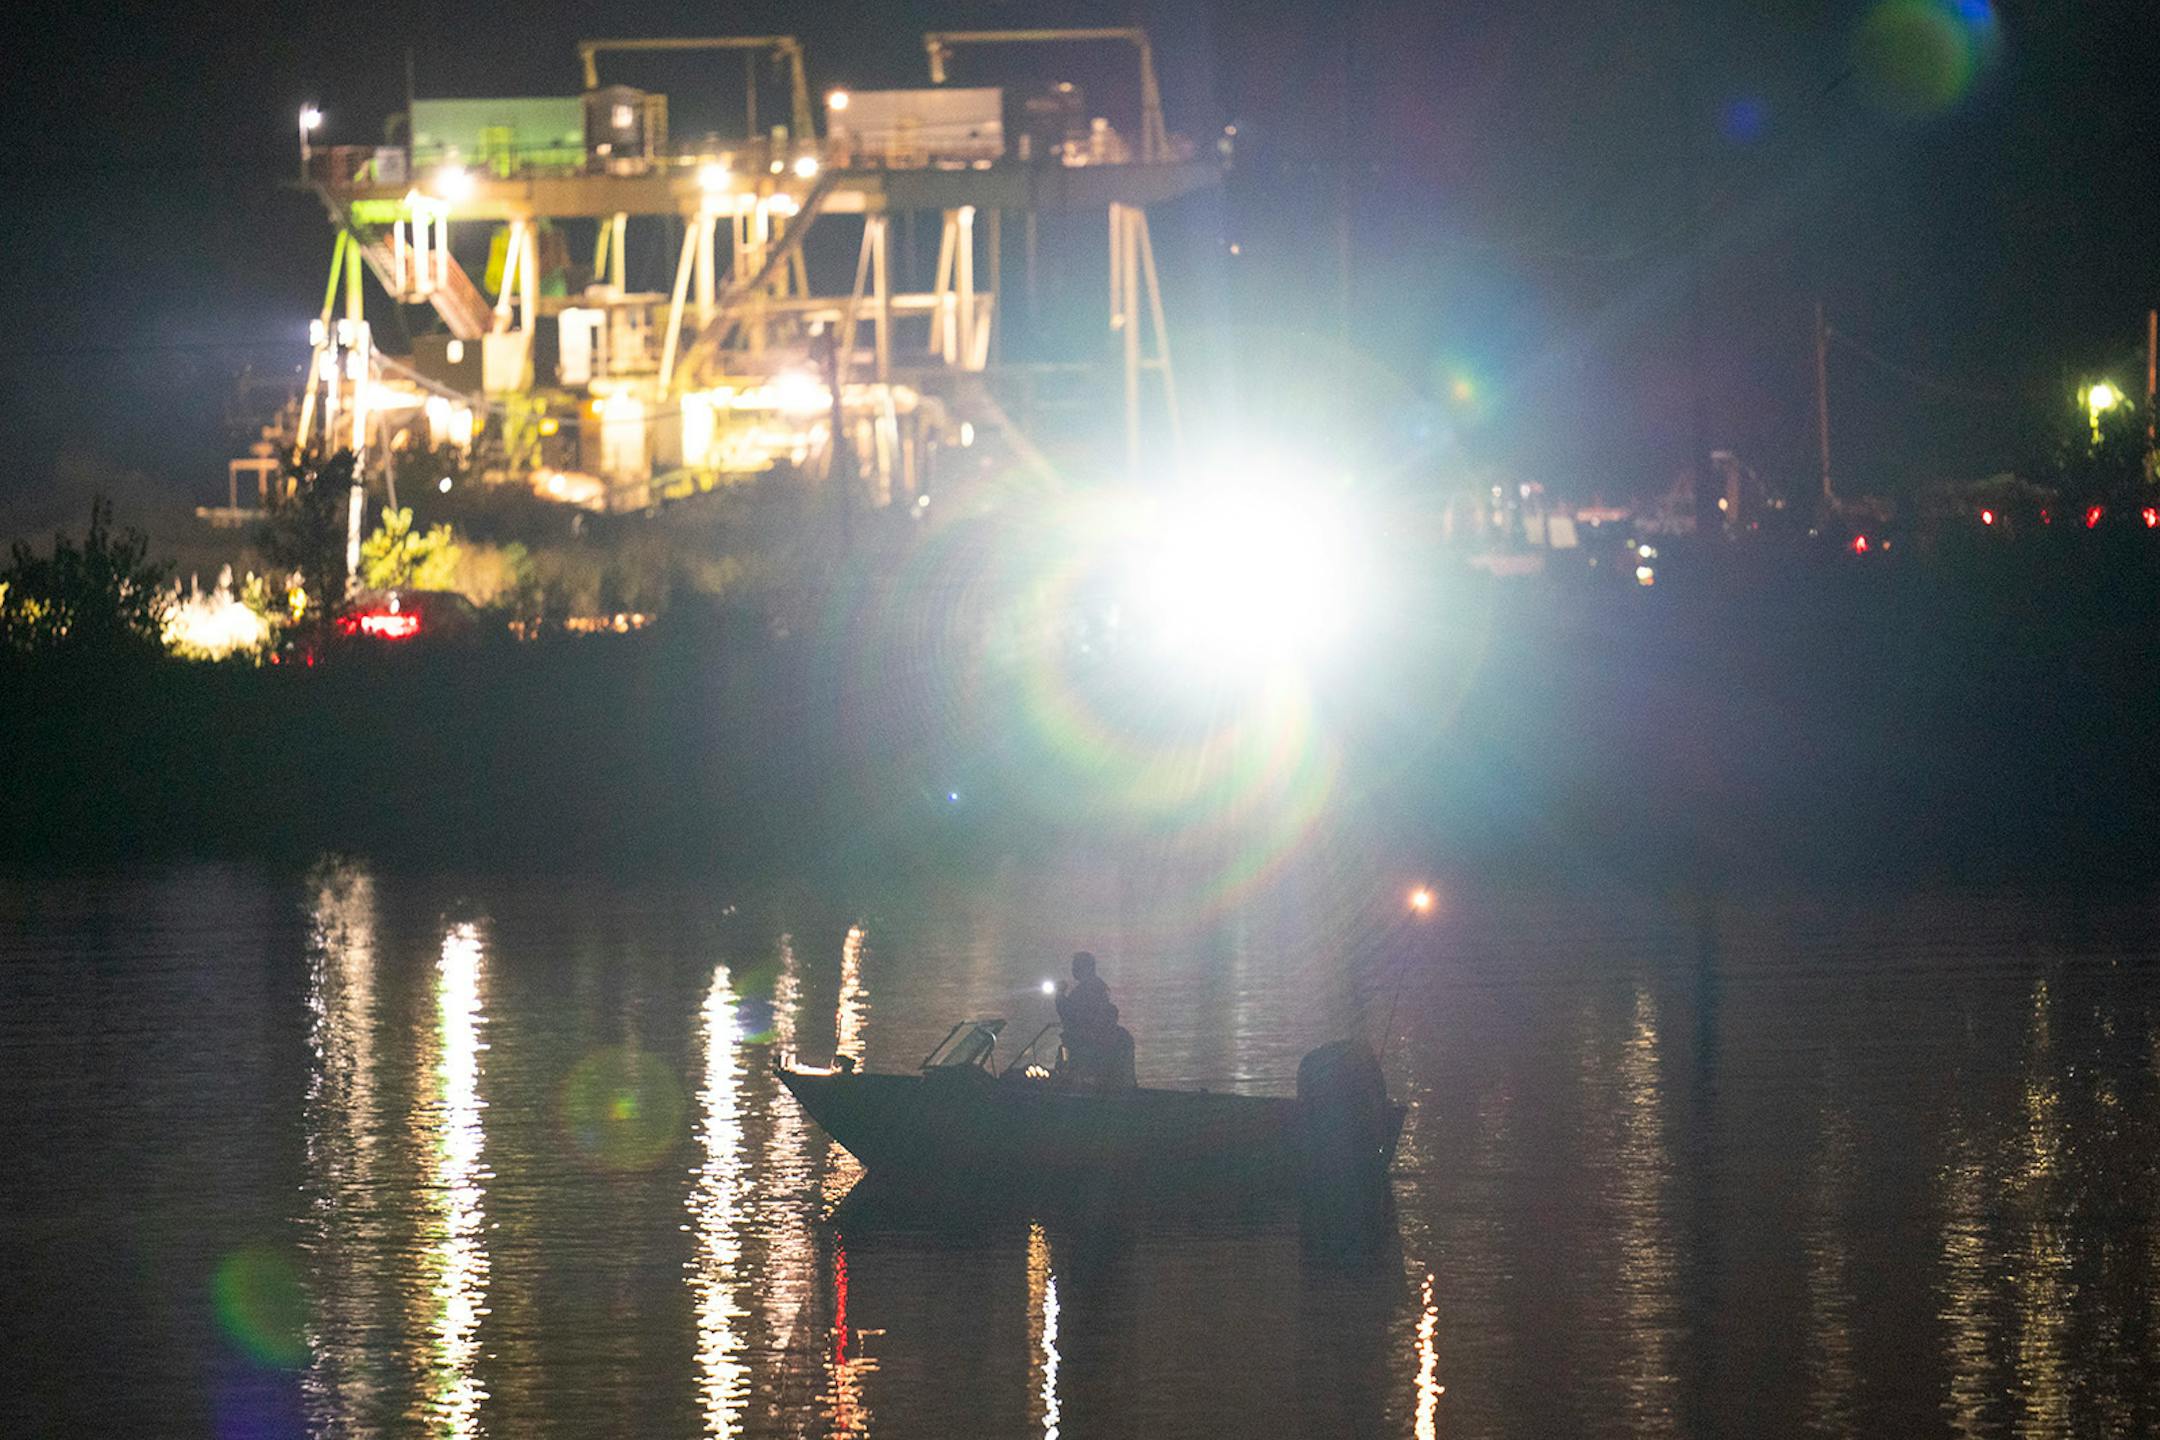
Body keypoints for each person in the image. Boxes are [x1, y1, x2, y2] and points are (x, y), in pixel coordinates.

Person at [1056, 952, 1135, 1089]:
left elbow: (1069, 1014)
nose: (1073, 970)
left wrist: (1060, 996)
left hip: (1086, 1043)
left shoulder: (1086, 989)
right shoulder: (1098, 987)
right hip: (1087, 1041)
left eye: (1076, 966)